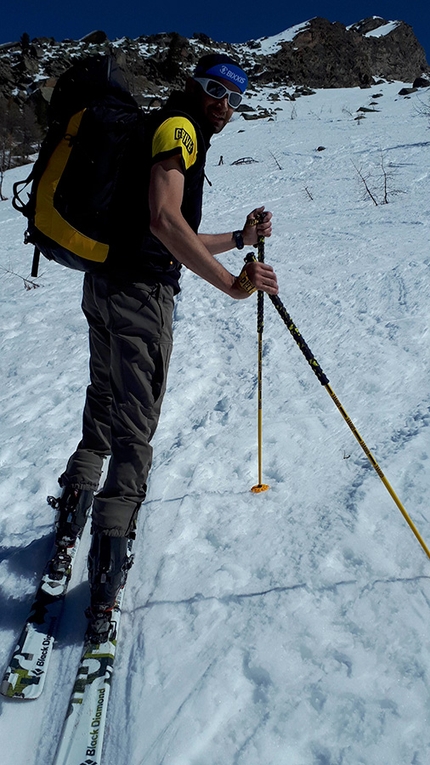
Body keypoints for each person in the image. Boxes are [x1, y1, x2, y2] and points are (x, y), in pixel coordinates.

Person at [49, 53, 279, 642]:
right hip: (138, 297)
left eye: (233, 98)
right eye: (213, 91)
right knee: (134, 424)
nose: (222, 105)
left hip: (105, 285)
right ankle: (106, 572)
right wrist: (232, 283)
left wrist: (239, 239)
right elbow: (163, 222)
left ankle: (74, 509)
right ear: (194, 86)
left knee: (103, 401)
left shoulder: (170, 127)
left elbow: (172, 225)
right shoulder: (180, 129)